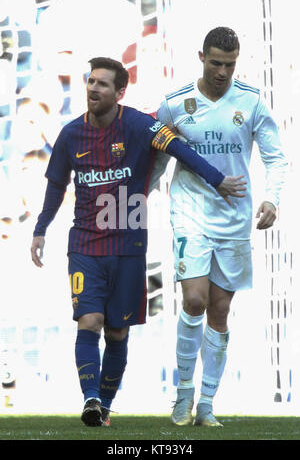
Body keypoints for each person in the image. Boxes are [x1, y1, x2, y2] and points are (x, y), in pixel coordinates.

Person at [30, 56, 246, 428]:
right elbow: (55, 186)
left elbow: (181, 150)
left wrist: (217, 179)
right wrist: (40, 228)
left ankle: (104, 406)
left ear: (119, 92)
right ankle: (91, 398)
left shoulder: (140, 126)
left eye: (101, 83)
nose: (93, 88)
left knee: (117, 330)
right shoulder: (70, 134)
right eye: (90, 81)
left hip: (129, 246)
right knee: (90, 320)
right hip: (85, 244)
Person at [154, 27, 288, 427]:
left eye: (230, 64)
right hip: (190, 212)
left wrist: (272, 198)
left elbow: (275, 158)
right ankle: (183, 394)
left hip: (234, 218)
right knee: (194, 300)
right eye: (215, 63)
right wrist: (138, 195)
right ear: (200, 57)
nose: (223, 72)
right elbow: (158, 153)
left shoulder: (250, 101)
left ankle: (207, 404)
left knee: (221, 309)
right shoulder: (176, 104)